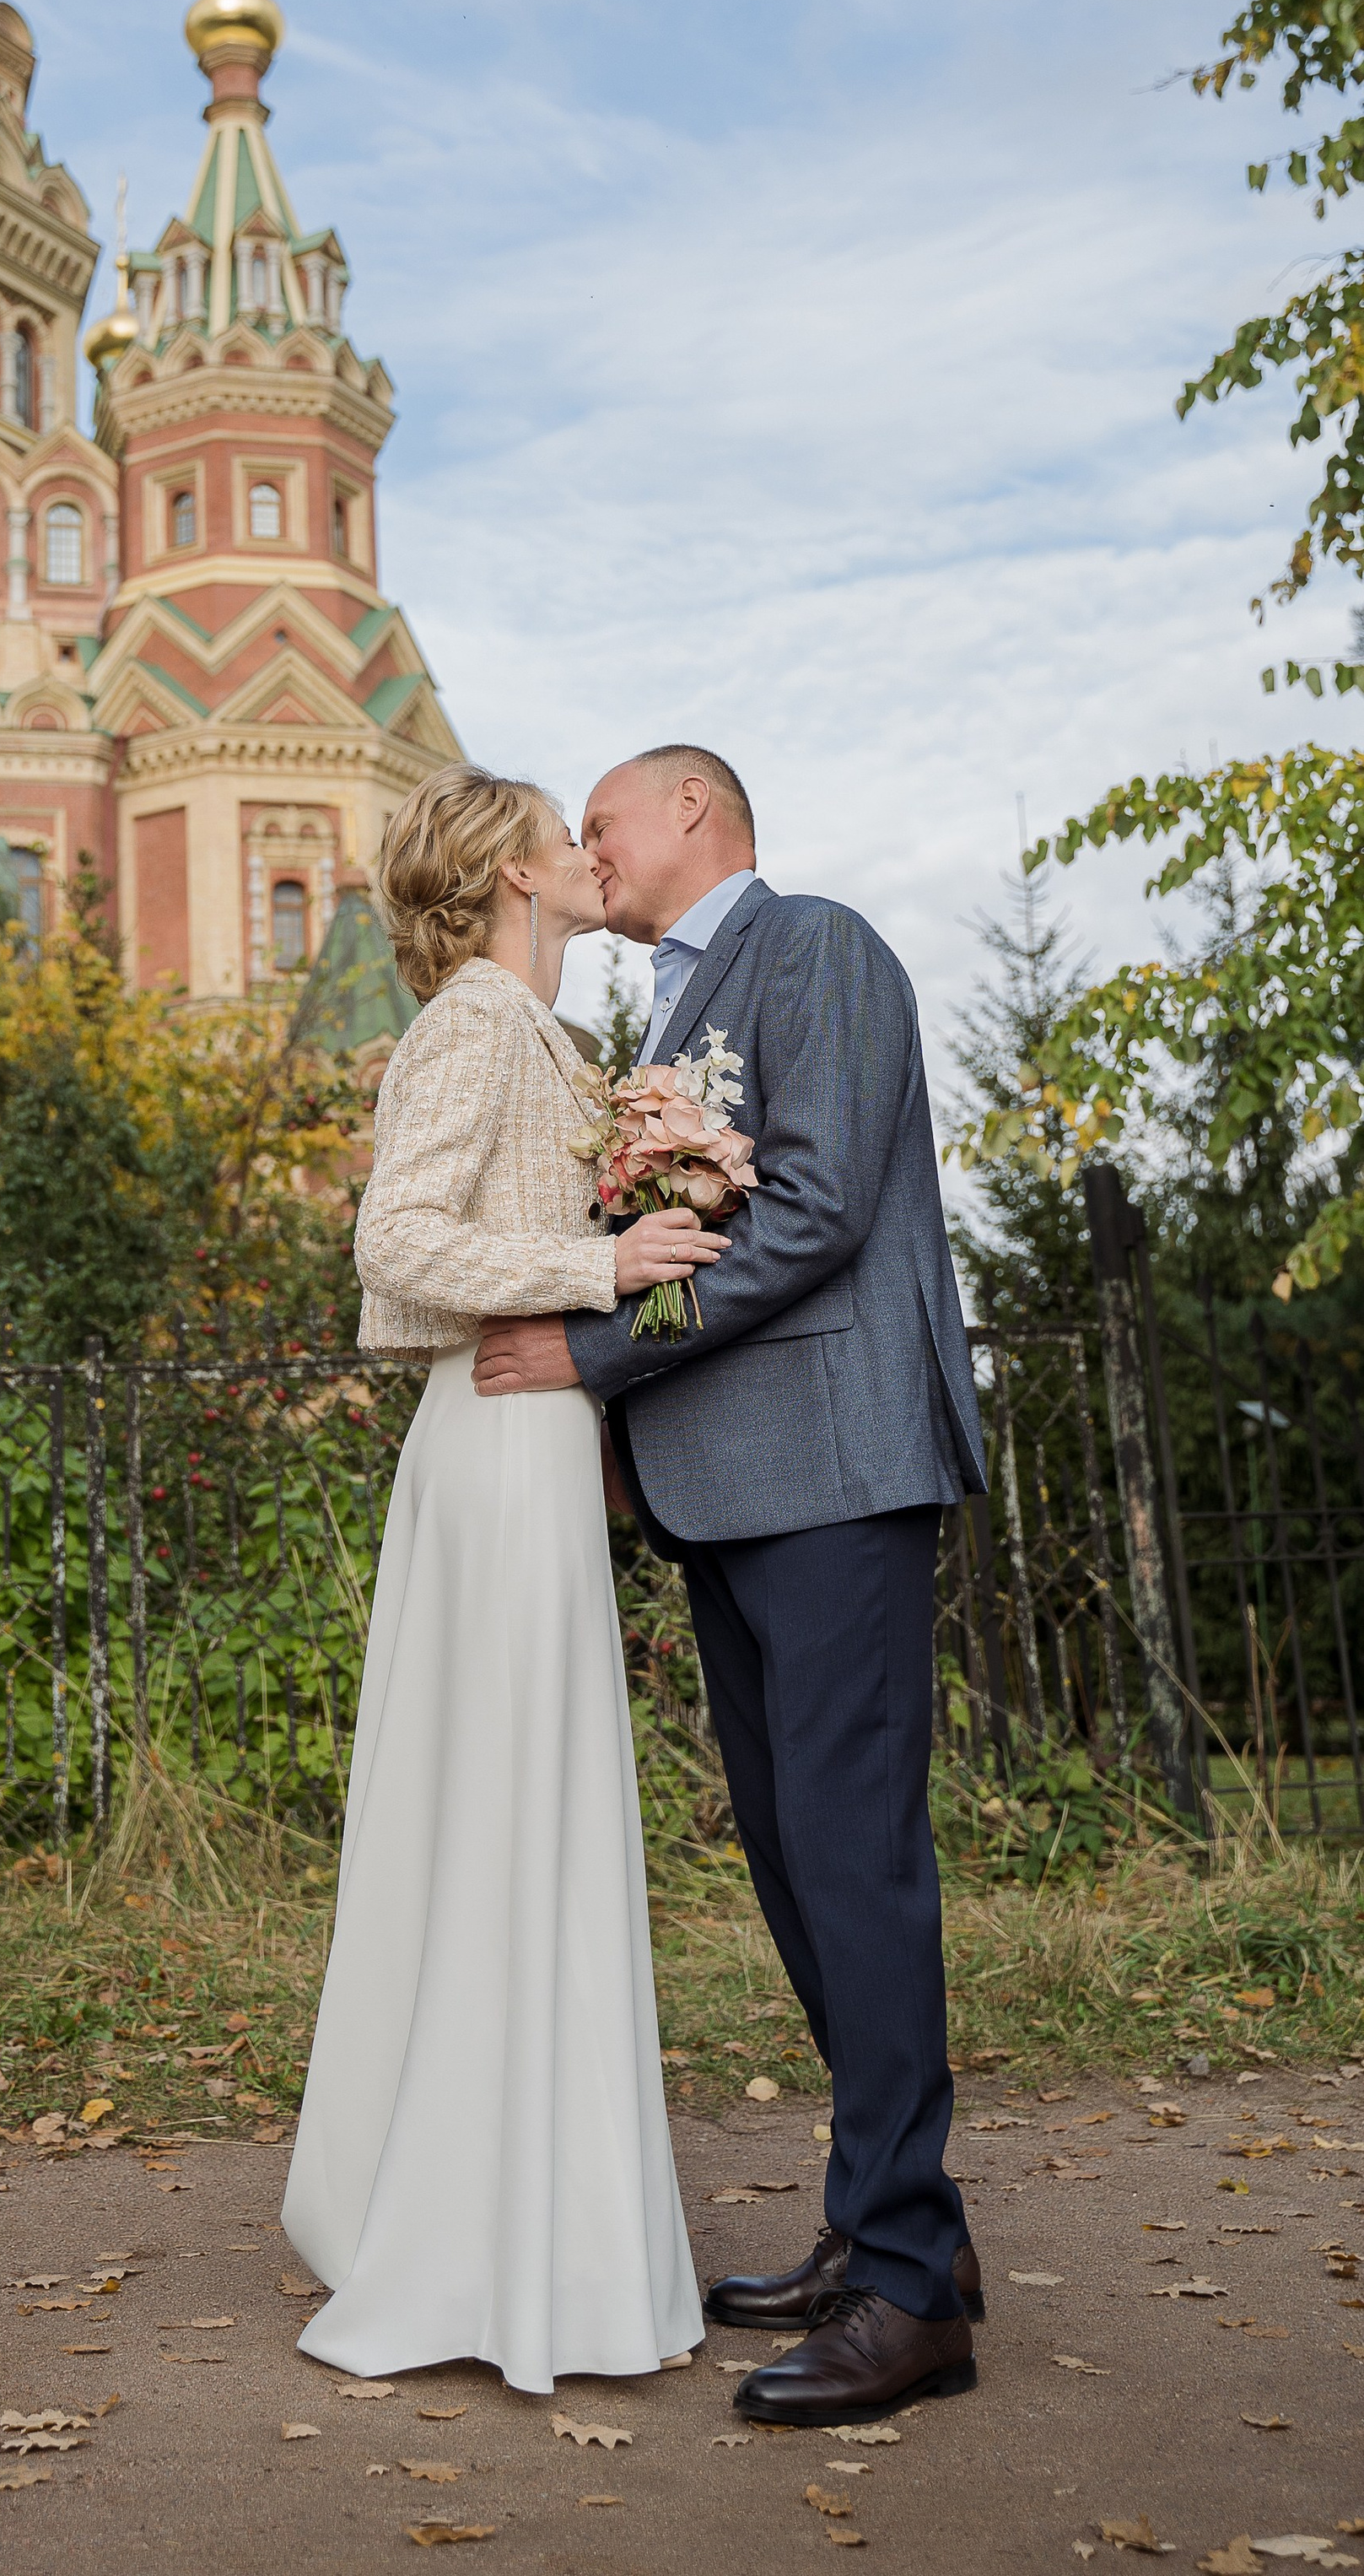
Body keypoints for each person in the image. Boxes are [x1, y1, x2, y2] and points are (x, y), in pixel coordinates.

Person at [474, 743, 989, 2430]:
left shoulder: (817, 946)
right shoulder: (660, 1019)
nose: (582, 853)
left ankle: (910, 2293)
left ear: (693, 816)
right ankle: (883, 2225)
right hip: (727, 1492)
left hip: (834, 1471)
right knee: (790, 1863)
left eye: (600, 823)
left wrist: (598, 1349)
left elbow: (822, 1206)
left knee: (854, 1861)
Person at [281, 763, 714, 2395]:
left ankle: (537, 2229)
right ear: (514, 877)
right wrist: (602, 1265)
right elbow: (397, 1239)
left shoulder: (537, 1032)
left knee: (528, 1819)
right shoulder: (470, 1021)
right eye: (564, 836)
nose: (588, 854)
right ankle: (475, 2242)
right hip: (489, 1443)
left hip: (538, 1447)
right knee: (500, 1816)